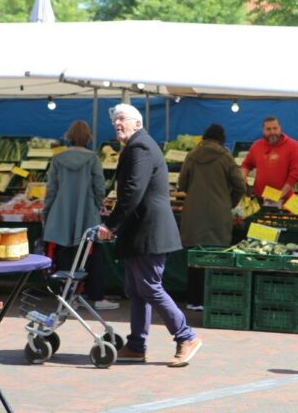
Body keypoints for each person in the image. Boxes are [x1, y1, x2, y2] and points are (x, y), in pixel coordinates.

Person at [97, 104, 202, 367]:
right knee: (136, 290)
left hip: (149, 231)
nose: (117, 124)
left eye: (122, 119)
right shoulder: (136, 146)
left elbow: (133, 191)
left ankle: (186, 336)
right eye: (115, 121)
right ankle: (136, 345)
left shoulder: (140, 147)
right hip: (141, 231)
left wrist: (111, 224)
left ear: (138, 123)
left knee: (149, 287)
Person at [42, 121, 118, 310]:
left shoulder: (58, 159)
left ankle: (68, 297)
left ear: (69, 136)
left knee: (65, 253)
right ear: (88, 137)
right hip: (87, 211)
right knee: (94, 254)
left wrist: (47, 212)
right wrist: (98, 204)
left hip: (62, 212)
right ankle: (97, 297)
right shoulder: (93, 158)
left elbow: (51, 190)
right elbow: (100, 187)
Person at [178, 123, 246, 311]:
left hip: (193, 213)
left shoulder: (192, 156)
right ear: (221, 139)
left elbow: (182, 184)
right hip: (219, 214)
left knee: (195, 257)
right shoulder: (226, 157)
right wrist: (228, 202)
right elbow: (240, 185)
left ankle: (194, 300)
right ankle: (212, 298)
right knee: (216, 256)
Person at [240, 116, 298, 201]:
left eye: (275, 128)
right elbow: (246, 164)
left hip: (284, 199)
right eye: (268, 129)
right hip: (260, 198)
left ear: (280, 128)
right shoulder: (256, 146)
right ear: (263, 130)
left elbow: (296, 173)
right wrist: (242, 177)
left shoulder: (293, 146)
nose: (272, 132)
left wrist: (281, 194)